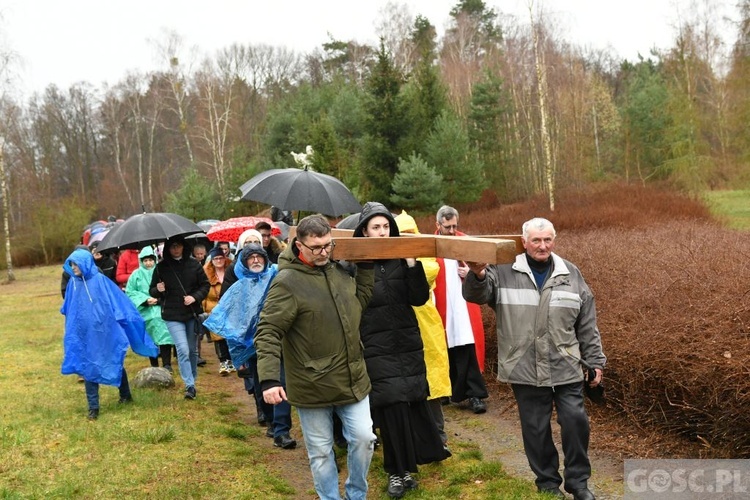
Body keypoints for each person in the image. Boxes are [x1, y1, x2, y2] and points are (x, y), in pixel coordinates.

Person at [462, 217, 606, 500]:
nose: (543, 246)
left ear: (554, 240)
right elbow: (477, 295)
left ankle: (578, 483)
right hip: (523, 365)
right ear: (524, 241)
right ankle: (548, 484)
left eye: (548, 239)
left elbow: (586, 322)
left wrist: (595, 360)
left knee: (576, 421)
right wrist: (477, 275)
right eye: (536, 240)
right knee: (536, 428)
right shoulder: (503, 270)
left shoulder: (570, 273)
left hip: (566, 363)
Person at [255, 214, 375, 500]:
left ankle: (356, 494)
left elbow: (359, 303)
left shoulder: (338, 272)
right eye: (316, 248)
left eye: (328, 246)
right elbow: (268, 330)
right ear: (299, 246)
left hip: (352, 378)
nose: (323, 253)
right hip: (311, 384)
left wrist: (367, 263)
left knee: (364, 439)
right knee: (321, 453)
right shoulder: (287, 282)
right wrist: (270, 379)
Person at [354, 202, 450, 498]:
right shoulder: (357, 265)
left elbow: (419, 298)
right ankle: (397, 472)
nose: (382, 233)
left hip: (407, 344)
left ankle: (409, 466)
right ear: (365, 232)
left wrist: (411, 263)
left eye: (386, 227)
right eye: (375, 227)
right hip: (376, 346)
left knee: (410, 402)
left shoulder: (401, 260)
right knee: (391, 406)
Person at [204, 243, 297, 450]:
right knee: (260, 384)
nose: (256, 260)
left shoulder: (276, 277)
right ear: (244, 262)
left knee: (280, 381)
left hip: (277, 341)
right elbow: (229, 321)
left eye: (259, 257)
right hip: (252, 344)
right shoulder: (238, 288)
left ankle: (282, 430)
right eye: (251, 257)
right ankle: (271, 421)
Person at [61, 248, 158, 420]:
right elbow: (69, 308)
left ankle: (125, 395)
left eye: (76, 264)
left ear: (85, 263)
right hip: (83, 333)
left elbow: (117, 302)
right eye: (71, 264)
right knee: (88, 365)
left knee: (113, 359)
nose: (73, 267)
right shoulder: (73, 284)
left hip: (104, 331)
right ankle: (93, 407)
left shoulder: (100, 281)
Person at [394, 210, 452, 448]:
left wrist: (409, 261)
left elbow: (428, 272)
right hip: (399, 326)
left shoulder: (425, 259)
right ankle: (410, 439)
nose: (408, 239)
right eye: (402, 235)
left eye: (411, 234)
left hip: (426, 326)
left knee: (432, 384)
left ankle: (438, 437)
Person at [434, 205, 489, 414]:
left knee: (468, 346)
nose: (452, 230)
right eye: (447, 226)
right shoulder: (432, 245)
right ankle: (448, 390)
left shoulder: (466, 241)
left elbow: (484, 271)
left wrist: (472, 272)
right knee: (446, 347)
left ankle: (475, 394)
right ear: (438, 224)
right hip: (443, 304)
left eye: (455, 225)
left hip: (464, 304)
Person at [149, 237, 210, 400]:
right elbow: (152, 291)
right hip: (172, 314)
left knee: (191, 350)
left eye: (178, 246)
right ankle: (189, 385)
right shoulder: (161, 267)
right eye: (172, 247)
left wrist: (194, 297)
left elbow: (205, 285)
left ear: (184, 247)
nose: (175, 249)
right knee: (182, 349)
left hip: (191, 313)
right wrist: (158, 289)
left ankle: (193, 379)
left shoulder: (194, 265)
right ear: (168, 249)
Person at [125, 247, 174, 371]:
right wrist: (145, 300)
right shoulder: (136, 275)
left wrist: (158, 300)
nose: (148, 263)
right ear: (141, 261)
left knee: (165, 335)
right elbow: (130, 292)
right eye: (145, 260)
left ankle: (167, 363)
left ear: (155, 259)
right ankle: (154, 363)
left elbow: (171, 289)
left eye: (151, 260)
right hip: (145, 311)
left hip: (161, 308)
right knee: (150, 337)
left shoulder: (162, 272)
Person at [202, 247, 234, 375]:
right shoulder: (206, 273)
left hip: (231, 307)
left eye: (221, 258)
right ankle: (223, 361)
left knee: (230, 335)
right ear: (212, 260)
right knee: (218, 336)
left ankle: (231, 360)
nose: (219, 260)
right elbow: (204, 291)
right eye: (216, 258)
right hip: (214, 308)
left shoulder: (231, 270)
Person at [220, 229, 263, 298]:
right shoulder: (234, 267)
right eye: (248, 242)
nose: (252, 245)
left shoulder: (267, 266)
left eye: (256, 242)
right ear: (242, 244)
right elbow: (226, 295)